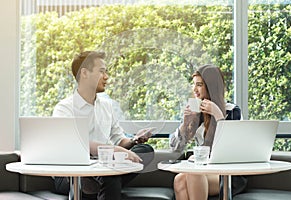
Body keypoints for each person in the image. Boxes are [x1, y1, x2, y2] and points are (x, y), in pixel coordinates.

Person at [52, 51, 154, 200]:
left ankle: (94, 186)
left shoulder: (107, 106)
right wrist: (112, 150)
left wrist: (134, 140)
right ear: (85, 73)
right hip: (72, 172)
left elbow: (119, 140)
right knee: (110, 176)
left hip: (105, 165)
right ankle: (94, 182)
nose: (106, 77)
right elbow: (74, 143)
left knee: (145, 150)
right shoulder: (64, 108)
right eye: (101, 72)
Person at [169, 64, 247, 200]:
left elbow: (232, 147)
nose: (194, 89)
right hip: (203, 168)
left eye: (199, 85)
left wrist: (218, 115)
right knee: (179, 180)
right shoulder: (196, 110)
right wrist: (185, 123)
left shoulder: (232, 111)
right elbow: (175, 148)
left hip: (228, 173)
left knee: (194, 174)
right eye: (193, 84)